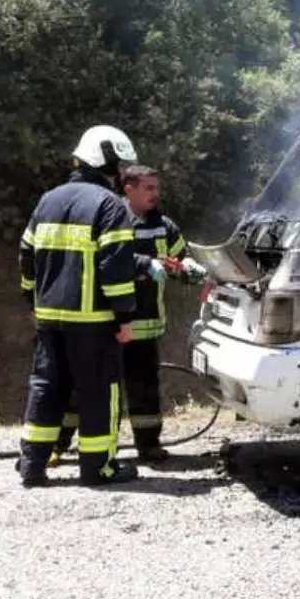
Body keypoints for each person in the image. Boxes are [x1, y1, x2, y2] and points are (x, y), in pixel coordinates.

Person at [49, 165, 206, 465]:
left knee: (144, 389)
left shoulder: (164, 226)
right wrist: (144, 267)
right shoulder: (111, 218)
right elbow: (103, 263)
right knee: (81, 386)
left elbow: (180, 260)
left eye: (157, 188)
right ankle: (58, 445)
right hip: (108, 324)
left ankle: (148, 446)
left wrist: (190, 271)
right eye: (148, 188)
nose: (155, 194)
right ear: (128, 188)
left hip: (145, 328)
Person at [17, 125, 142, 488]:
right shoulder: (109, 206)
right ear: (105, 161)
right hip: (93, 321)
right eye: (121, 167)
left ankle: (32, 465)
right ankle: (98, 468)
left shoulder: (48, 199)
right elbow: (115, 269)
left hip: (49, 318)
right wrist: (124, 316)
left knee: (46, 386)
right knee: (99, 391)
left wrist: (33, 300)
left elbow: (27, 257)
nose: (123, 175)